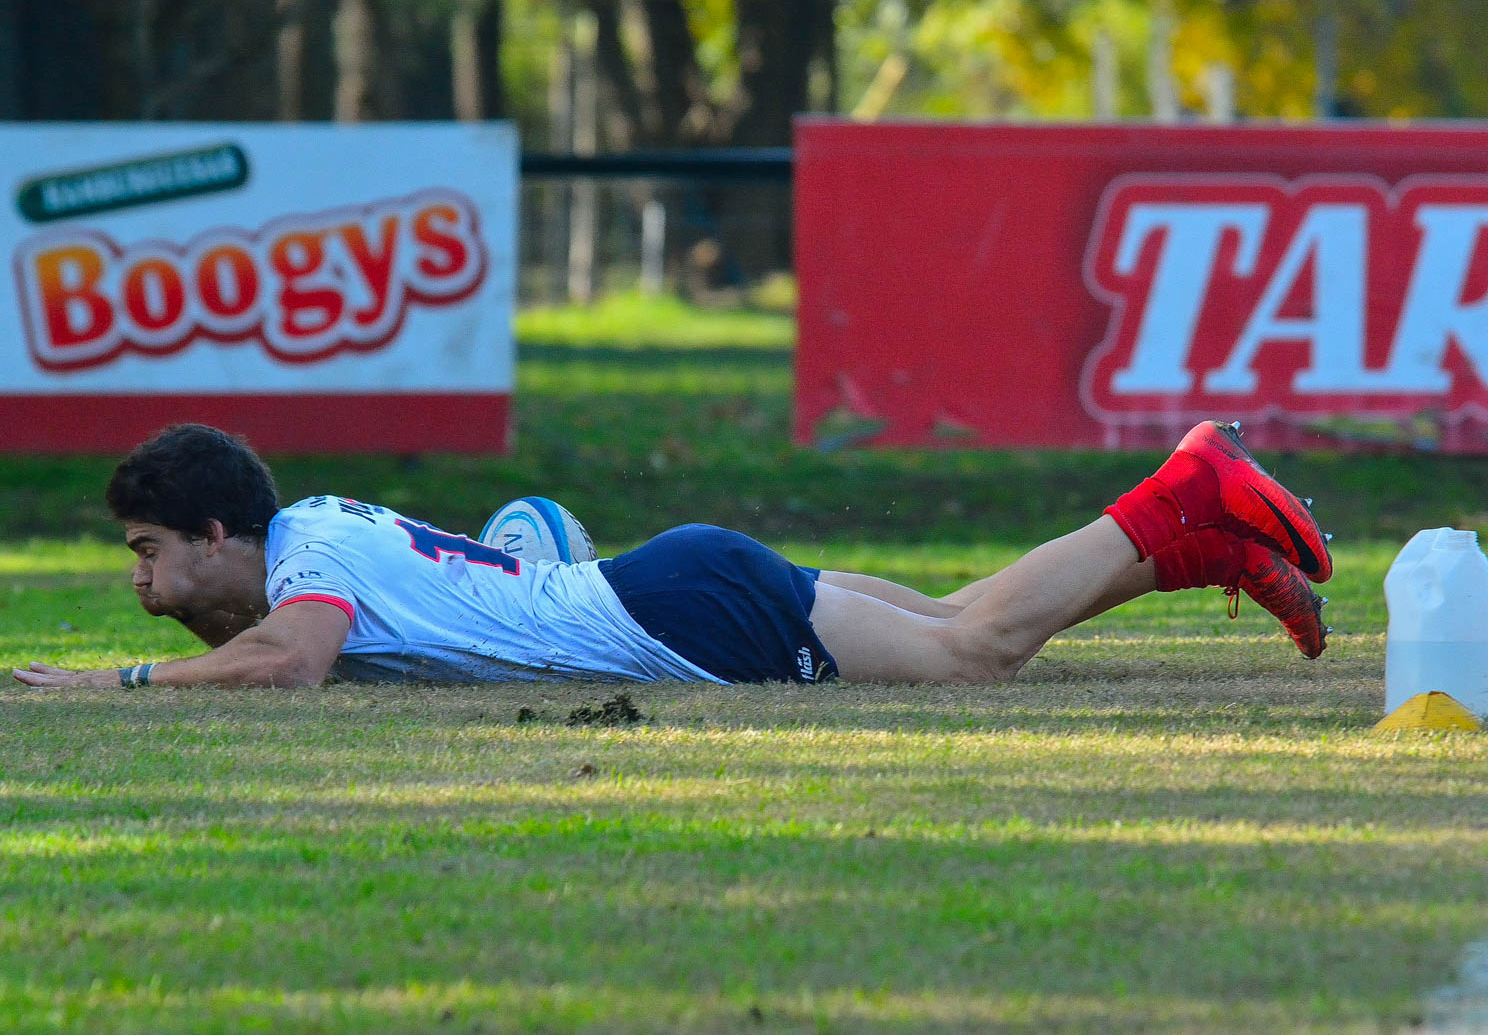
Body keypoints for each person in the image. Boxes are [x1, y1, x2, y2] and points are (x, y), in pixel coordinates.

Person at [11, 422, 1332, 691]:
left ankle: (1183, 491)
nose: (142, 584)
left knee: (971, 654)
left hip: (675, 616)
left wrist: (119, 684)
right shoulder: (326, 530)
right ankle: (1193, 545)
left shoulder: (307, 569)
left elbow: (287, 665)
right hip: (667, 580)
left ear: (215, 533)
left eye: (146, 553)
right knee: (961, 611)